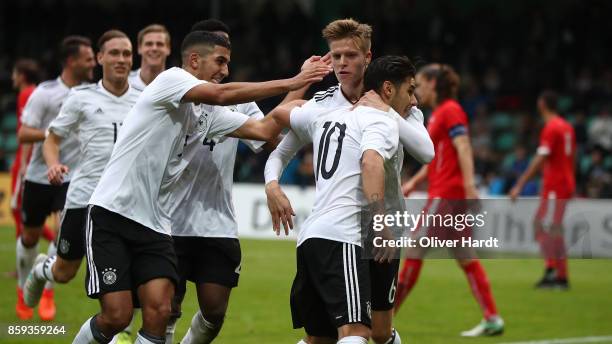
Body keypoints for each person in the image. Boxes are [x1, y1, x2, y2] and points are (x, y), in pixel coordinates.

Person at [71, 30, 331, 344]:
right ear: (194, 60)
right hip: (113, 212)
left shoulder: (210, 114)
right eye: (219, 61)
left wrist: (309, 104)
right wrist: (292, 80)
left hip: (155, 224)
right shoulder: (171, 80)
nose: (224, 70)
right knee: (117, 316)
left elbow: (263, 129)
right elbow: (221, 94)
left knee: (160, 311)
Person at [264, 19, 434, 344]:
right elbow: (279, 150)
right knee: (353, 332)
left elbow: (426, 151)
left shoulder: (400, 102)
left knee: (380, 332)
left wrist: (389, 109)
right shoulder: (321, 105)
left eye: (351, 56)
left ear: (367, 58)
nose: (342, 63)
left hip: (384, 230)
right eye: (336, 56)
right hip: (347, 229)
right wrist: (272, 184)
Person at [21, 30, 139, 343]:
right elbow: (52, 139)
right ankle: (40, 269)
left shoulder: (143, 99)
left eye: (127, 54)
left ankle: (119, 332)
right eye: (114, 53)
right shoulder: (81, 97)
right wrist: (52, 164)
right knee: (64, 273)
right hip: (83, 199)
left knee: (129, 282)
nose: (121, 60)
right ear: (99, 58)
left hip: (124, 205)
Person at [395, 64, 504, 337]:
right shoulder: (441, 114)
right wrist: (413, 183)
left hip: (446, 194)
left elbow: (463, 145)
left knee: (415, 250)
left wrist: (469, 185)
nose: (416, 89)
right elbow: (437, 159)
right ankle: (492, 318)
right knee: (466, 256)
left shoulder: (450, 110)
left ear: (433, 83)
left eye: (419, 83)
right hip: (449, 192)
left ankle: (383, 317)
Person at [16, 36, 95, 322]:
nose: (93, 63)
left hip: (73, 177)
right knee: (29, 237)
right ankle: (23, 289)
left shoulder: (92, 94)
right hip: (39, 175)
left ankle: (47, 291)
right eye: (88, 58)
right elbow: (24, 133)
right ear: (71, 61)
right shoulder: (45, 93)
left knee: (64, 230)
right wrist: (55, 132)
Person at [510, 90, 576, 289]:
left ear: (542, 104)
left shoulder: (551, 127)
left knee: (549, 228)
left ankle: (558, 275)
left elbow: (541, 158)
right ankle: (553, 270)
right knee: (545, 226)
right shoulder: (566, 127)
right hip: (562, 183)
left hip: (556, 185)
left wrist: (520, 184)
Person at [128, 24, 171, 89]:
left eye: (159, 44)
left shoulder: (178, 85)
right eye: (149, 44)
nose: (154, 48)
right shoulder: (125, 81)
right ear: (139, 48)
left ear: (168, 49)